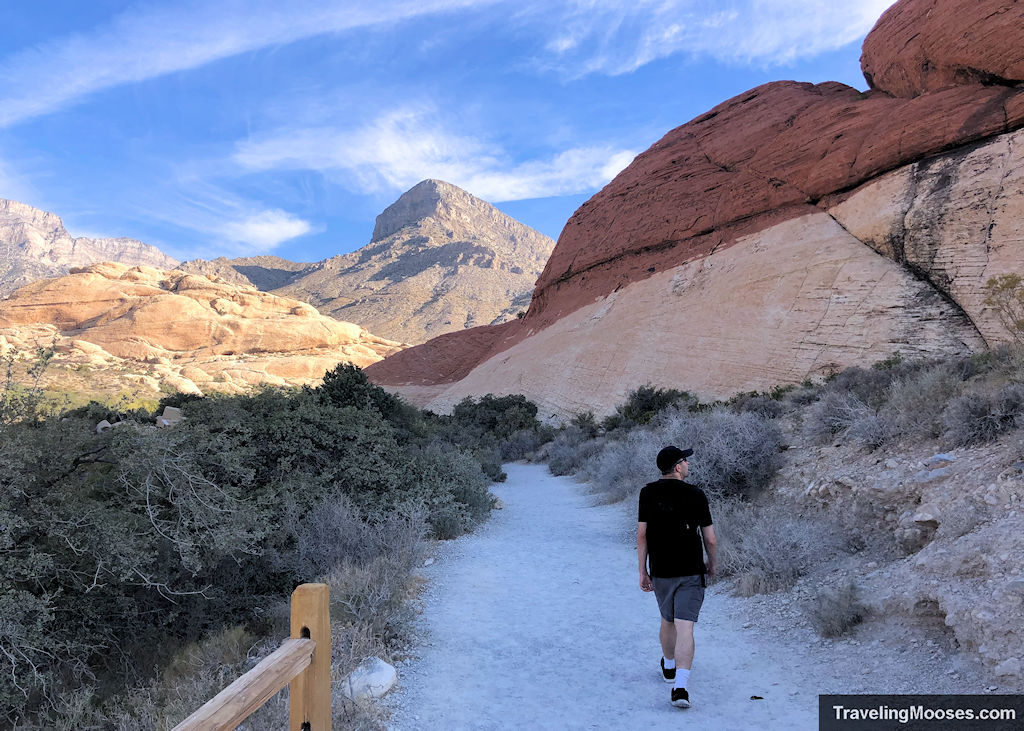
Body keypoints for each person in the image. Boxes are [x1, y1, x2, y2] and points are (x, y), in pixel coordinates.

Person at [637, 445, 717, 709]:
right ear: (677, 466)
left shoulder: (647, 493)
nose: (688, 464)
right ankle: (680, 687)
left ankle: (669, 666)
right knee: (686, 627)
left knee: (667, 619)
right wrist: (711, 564)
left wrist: (642, 570)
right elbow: (710, 539)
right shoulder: (696, 494)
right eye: (685, 460)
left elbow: (641, 535)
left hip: (661, 569)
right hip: (691, 569)